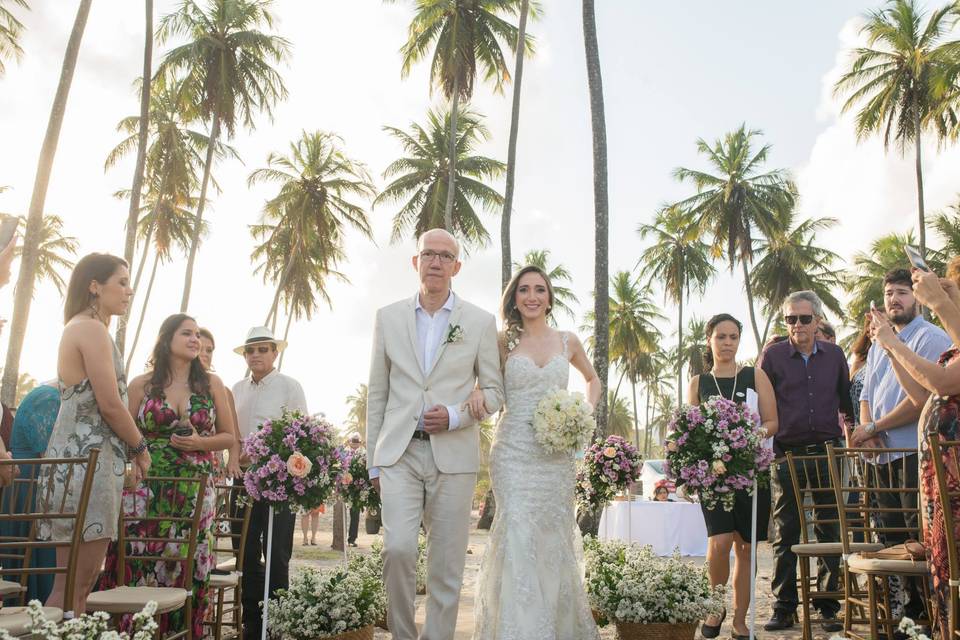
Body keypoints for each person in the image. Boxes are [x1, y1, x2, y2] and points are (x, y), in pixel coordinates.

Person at [366, 229, 504, 640]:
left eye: (446, 256)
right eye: (429, 254)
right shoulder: (387, 317)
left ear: (457, 267)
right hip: (398, 455)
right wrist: (373, 461)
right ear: (416, 262)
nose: (437, 262)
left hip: (454, 457)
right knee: (397, 550)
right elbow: (378, 393)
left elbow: (495, 393)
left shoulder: (479, 322)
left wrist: (457, 416)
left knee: (446, 565)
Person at [471, 264, 601, 639]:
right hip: (512, 451)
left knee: (551, 534)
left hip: (556, 455)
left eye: (539, 290)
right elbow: (486, 387)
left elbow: (593, 382)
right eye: (524, 290)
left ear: (549, 298)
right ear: (514, 298)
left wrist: (581, 413)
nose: (532, 296)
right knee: (518, 531)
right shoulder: (501, 342)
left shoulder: (568, 341)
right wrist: (478, 391)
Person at [99, 314, 236, 636]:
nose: (195, 340)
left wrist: (200, 442)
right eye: (186, 333)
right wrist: (136, 459)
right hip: (145, 488)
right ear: (166, 339)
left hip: (195, 489)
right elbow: (120, 432)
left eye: (197, 335)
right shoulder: (141, 385)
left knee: (189, 561)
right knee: (139, 560)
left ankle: (183, 631)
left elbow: (229, 436)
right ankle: (135, 631)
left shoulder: (213, 384)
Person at [41, 253, 149, 615]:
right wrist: (140, 447)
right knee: (74, 583)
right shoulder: (89, 329)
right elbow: (111, 404)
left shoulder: (85, 327)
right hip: (86, 464)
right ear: (94, 286)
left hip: (85, 462)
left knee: (79, 584)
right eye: (121, 281)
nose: (129, 290)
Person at [868, 261, 960, 640]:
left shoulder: (939, 332)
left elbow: (938, 384)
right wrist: (891, 348)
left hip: (953, 478)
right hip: (941, 480)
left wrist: (939, 304)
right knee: (940, 564)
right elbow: (916, 390)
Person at [850, 269, 949, 620]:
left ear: (918, 298)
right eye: (890, 292)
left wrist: (877, 425)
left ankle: (927, 616)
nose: (895, 299)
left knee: (916, 539)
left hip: (912, 453)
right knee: (891, 538)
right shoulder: (881, 339)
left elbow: (921, 398)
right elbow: (868, 392)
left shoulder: (930, 337)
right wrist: (866, 427)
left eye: (903, 292)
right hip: (881, 455)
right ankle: (906, 614)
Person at [759, 291, 854, 632]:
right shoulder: (771, 357)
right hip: (787, 455)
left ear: (817, 320)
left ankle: (828, 604)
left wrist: (854, 435)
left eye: (803, 318)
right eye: (790, 319)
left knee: (830, 526)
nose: (797, 325)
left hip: (828, 452)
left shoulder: (835, 355)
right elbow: (760, 405)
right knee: (787, 532)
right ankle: (784, 607)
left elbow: (847, 403)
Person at [687, 314, 778, 640]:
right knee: (719, 543)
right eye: (721, 337)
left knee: (745, 548)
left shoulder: (756, 375)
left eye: (733, 337)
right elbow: (692, 430)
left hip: (752, 472)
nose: (727, 343)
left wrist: (749, 436)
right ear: (709, 340)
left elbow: (772, 422)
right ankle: (715, 605)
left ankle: (740, 620)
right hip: (715, 476)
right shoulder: (698, 383)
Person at [232, 325, 307, 640]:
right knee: (245, 550)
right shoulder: (235, 389)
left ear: (275, 353)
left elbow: (301, 432)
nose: (256, 355)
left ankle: (277, 619)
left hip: (279, 483)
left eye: (263, 349)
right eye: (251, 350)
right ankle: (252, 620)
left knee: (277, 551)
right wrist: (234, 459)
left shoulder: (290, 386)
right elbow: (230, 434)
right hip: (241, 481)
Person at [2, 382, 59, 602]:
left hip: (33, 486)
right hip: (32, 490)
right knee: (40, 564)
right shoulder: (48, 399)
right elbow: (52, 458)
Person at [197, 328, 242, 479]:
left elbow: (233, 435)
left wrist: (233, 461)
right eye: (200, 348)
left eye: (209, 350)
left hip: (212, 469)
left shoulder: (222, 391)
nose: (204, 354)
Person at [346, 432, 363, 547]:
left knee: (355, 513)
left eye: (357, 442)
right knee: (342, 513)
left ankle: (352, 538)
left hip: (357, 487)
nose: (355, 444)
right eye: (353, 441)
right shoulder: (345, 453)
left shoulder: (363, 453)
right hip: (345, 485)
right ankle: (341, 537)